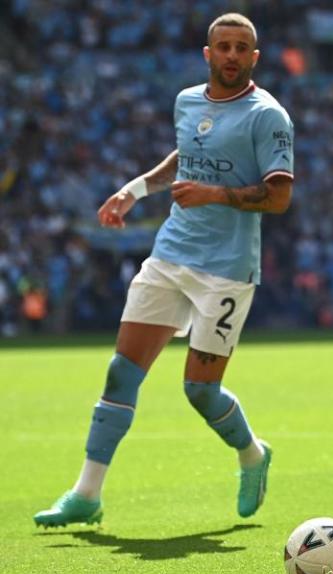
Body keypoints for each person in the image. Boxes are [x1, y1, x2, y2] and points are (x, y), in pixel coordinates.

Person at [33, 13, 294, 527]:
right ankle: (86, 494)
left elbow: (280, 196)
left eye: (242, 48)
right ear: (208, 53)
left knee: (199, 390)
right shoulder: (187, 101)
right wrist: (134, 190)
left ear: (255, 58)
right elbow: (188, 156)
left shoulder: (268, 116)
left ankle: (253, 456)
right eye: (224, 47)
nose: (232, 56)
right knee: (121, 372)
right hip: (171, 254)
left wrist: (214, 194)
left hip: (226, 269)